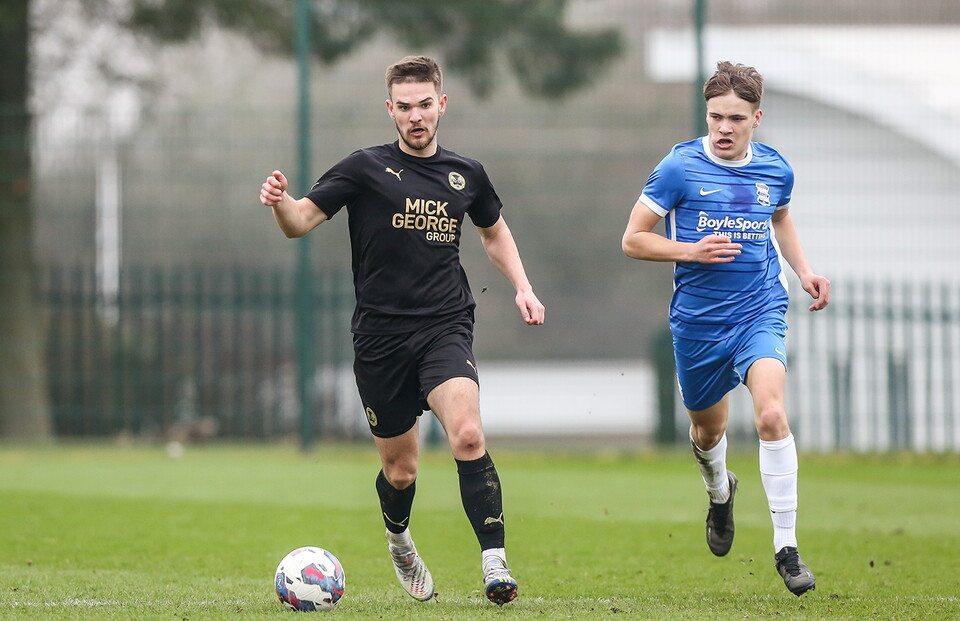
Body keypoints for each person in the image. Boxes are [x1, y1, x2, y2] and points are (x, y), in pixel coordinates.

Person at [259, 55, 544, 606]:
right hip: (380, 339)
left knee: (468, 435)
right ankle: (399, 539)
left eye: (425, 105)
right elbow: (299, 222)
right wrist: (280, 203)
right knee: (401, 470)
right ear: (390, 109)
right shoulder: (363, 168)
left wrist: (523, 287)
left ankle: (494, 562)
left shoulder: (467, 174)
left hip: (444, 325)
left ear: (442, 104)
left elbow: (493, 232)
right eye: (405, 107)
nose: (416, 116)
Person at [621, 61, 829, 596]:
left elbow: (780, 217)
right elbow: (633, 239)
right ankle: (720, 492)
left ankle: (787, 548)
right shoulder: (679, 167)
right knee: (707, 432)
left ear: (756, 118)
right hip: (698, 322)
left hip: (760, 309)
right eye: (716, 117)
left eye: (736, 118)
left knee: (771, 414)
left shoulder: (775, 169)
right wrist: (689, 250)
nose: (723, 128)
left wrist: (803, 271)